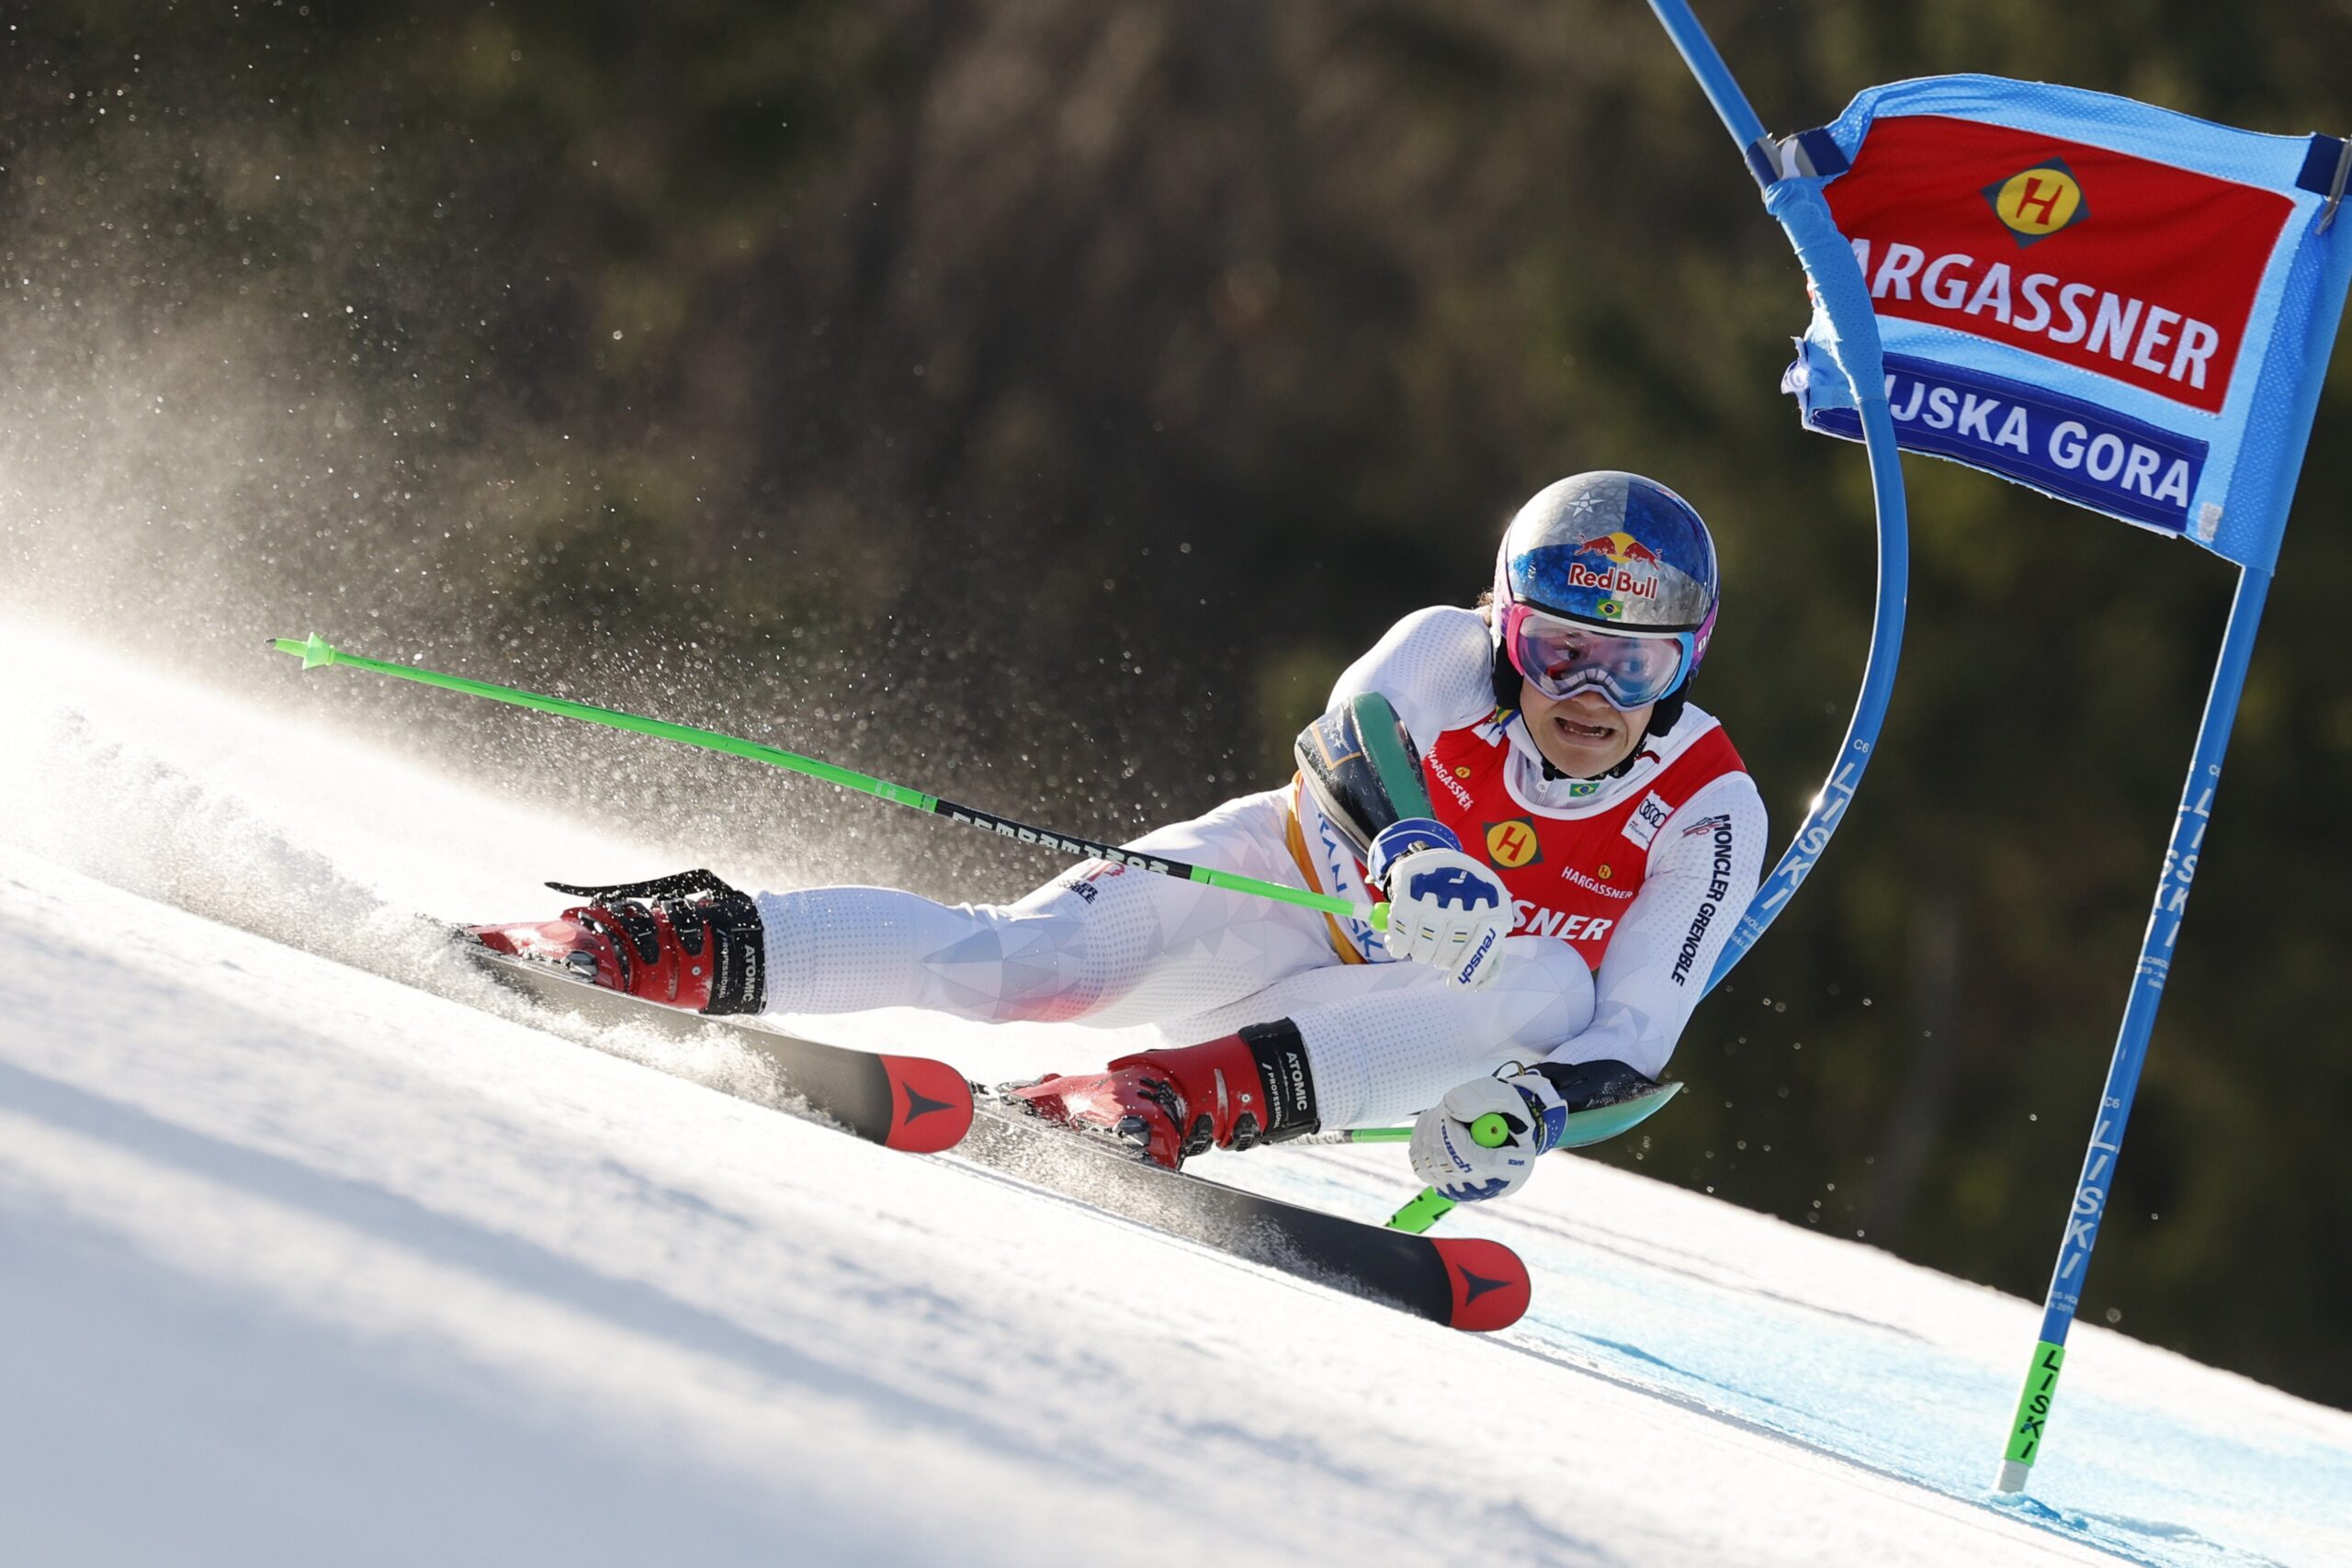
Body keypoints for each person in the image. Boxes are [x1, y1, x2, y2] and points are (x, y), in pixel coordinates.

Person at [472, 472, 1766, 1206]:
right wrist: (1413, 843)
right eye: (1557, 651)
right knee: (1011, 968)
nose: (1588, 697)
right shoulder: (1444, 648)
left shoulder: (1712, 809)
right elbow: (1347, 735)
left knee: (1548, 982)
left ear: (1687, 663)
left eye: (1634, 666)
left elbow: (1633, 1036)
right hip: (1272, 883)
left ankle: (1159, 1099)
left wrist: (1528, 1116)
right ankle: (657, 943)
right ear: (1504, 625)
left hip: (1402, 1010)